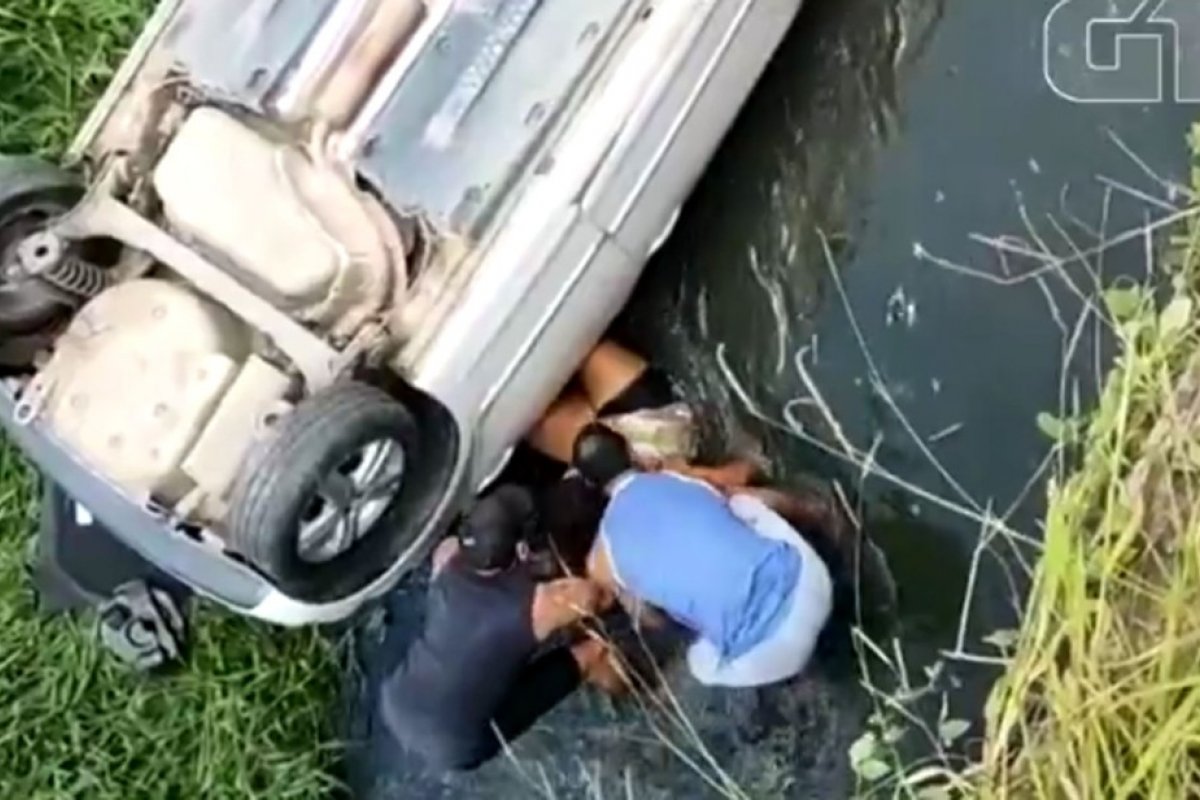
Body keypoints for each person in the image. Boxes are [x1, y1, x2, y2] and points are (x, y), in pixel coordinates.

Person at [378, 485, 623, 772]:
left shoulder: (446, 557)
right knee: (594, 650)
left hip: (396, 699)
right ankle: (618, 679)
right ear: (521, 548)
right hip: (455, 745)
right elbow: (596, 597)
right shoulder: (535, 607)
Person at [573, 423, 834, 689]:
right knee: (737, 502)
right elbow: (743, 473)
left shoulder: (602, 561)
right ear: (630, 450)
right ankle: (819, 512)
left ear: (591, 485)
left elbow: (652, 620)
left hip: (769, 660)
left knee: (698, 663)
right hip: (812, 584)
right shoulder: (676, 477)